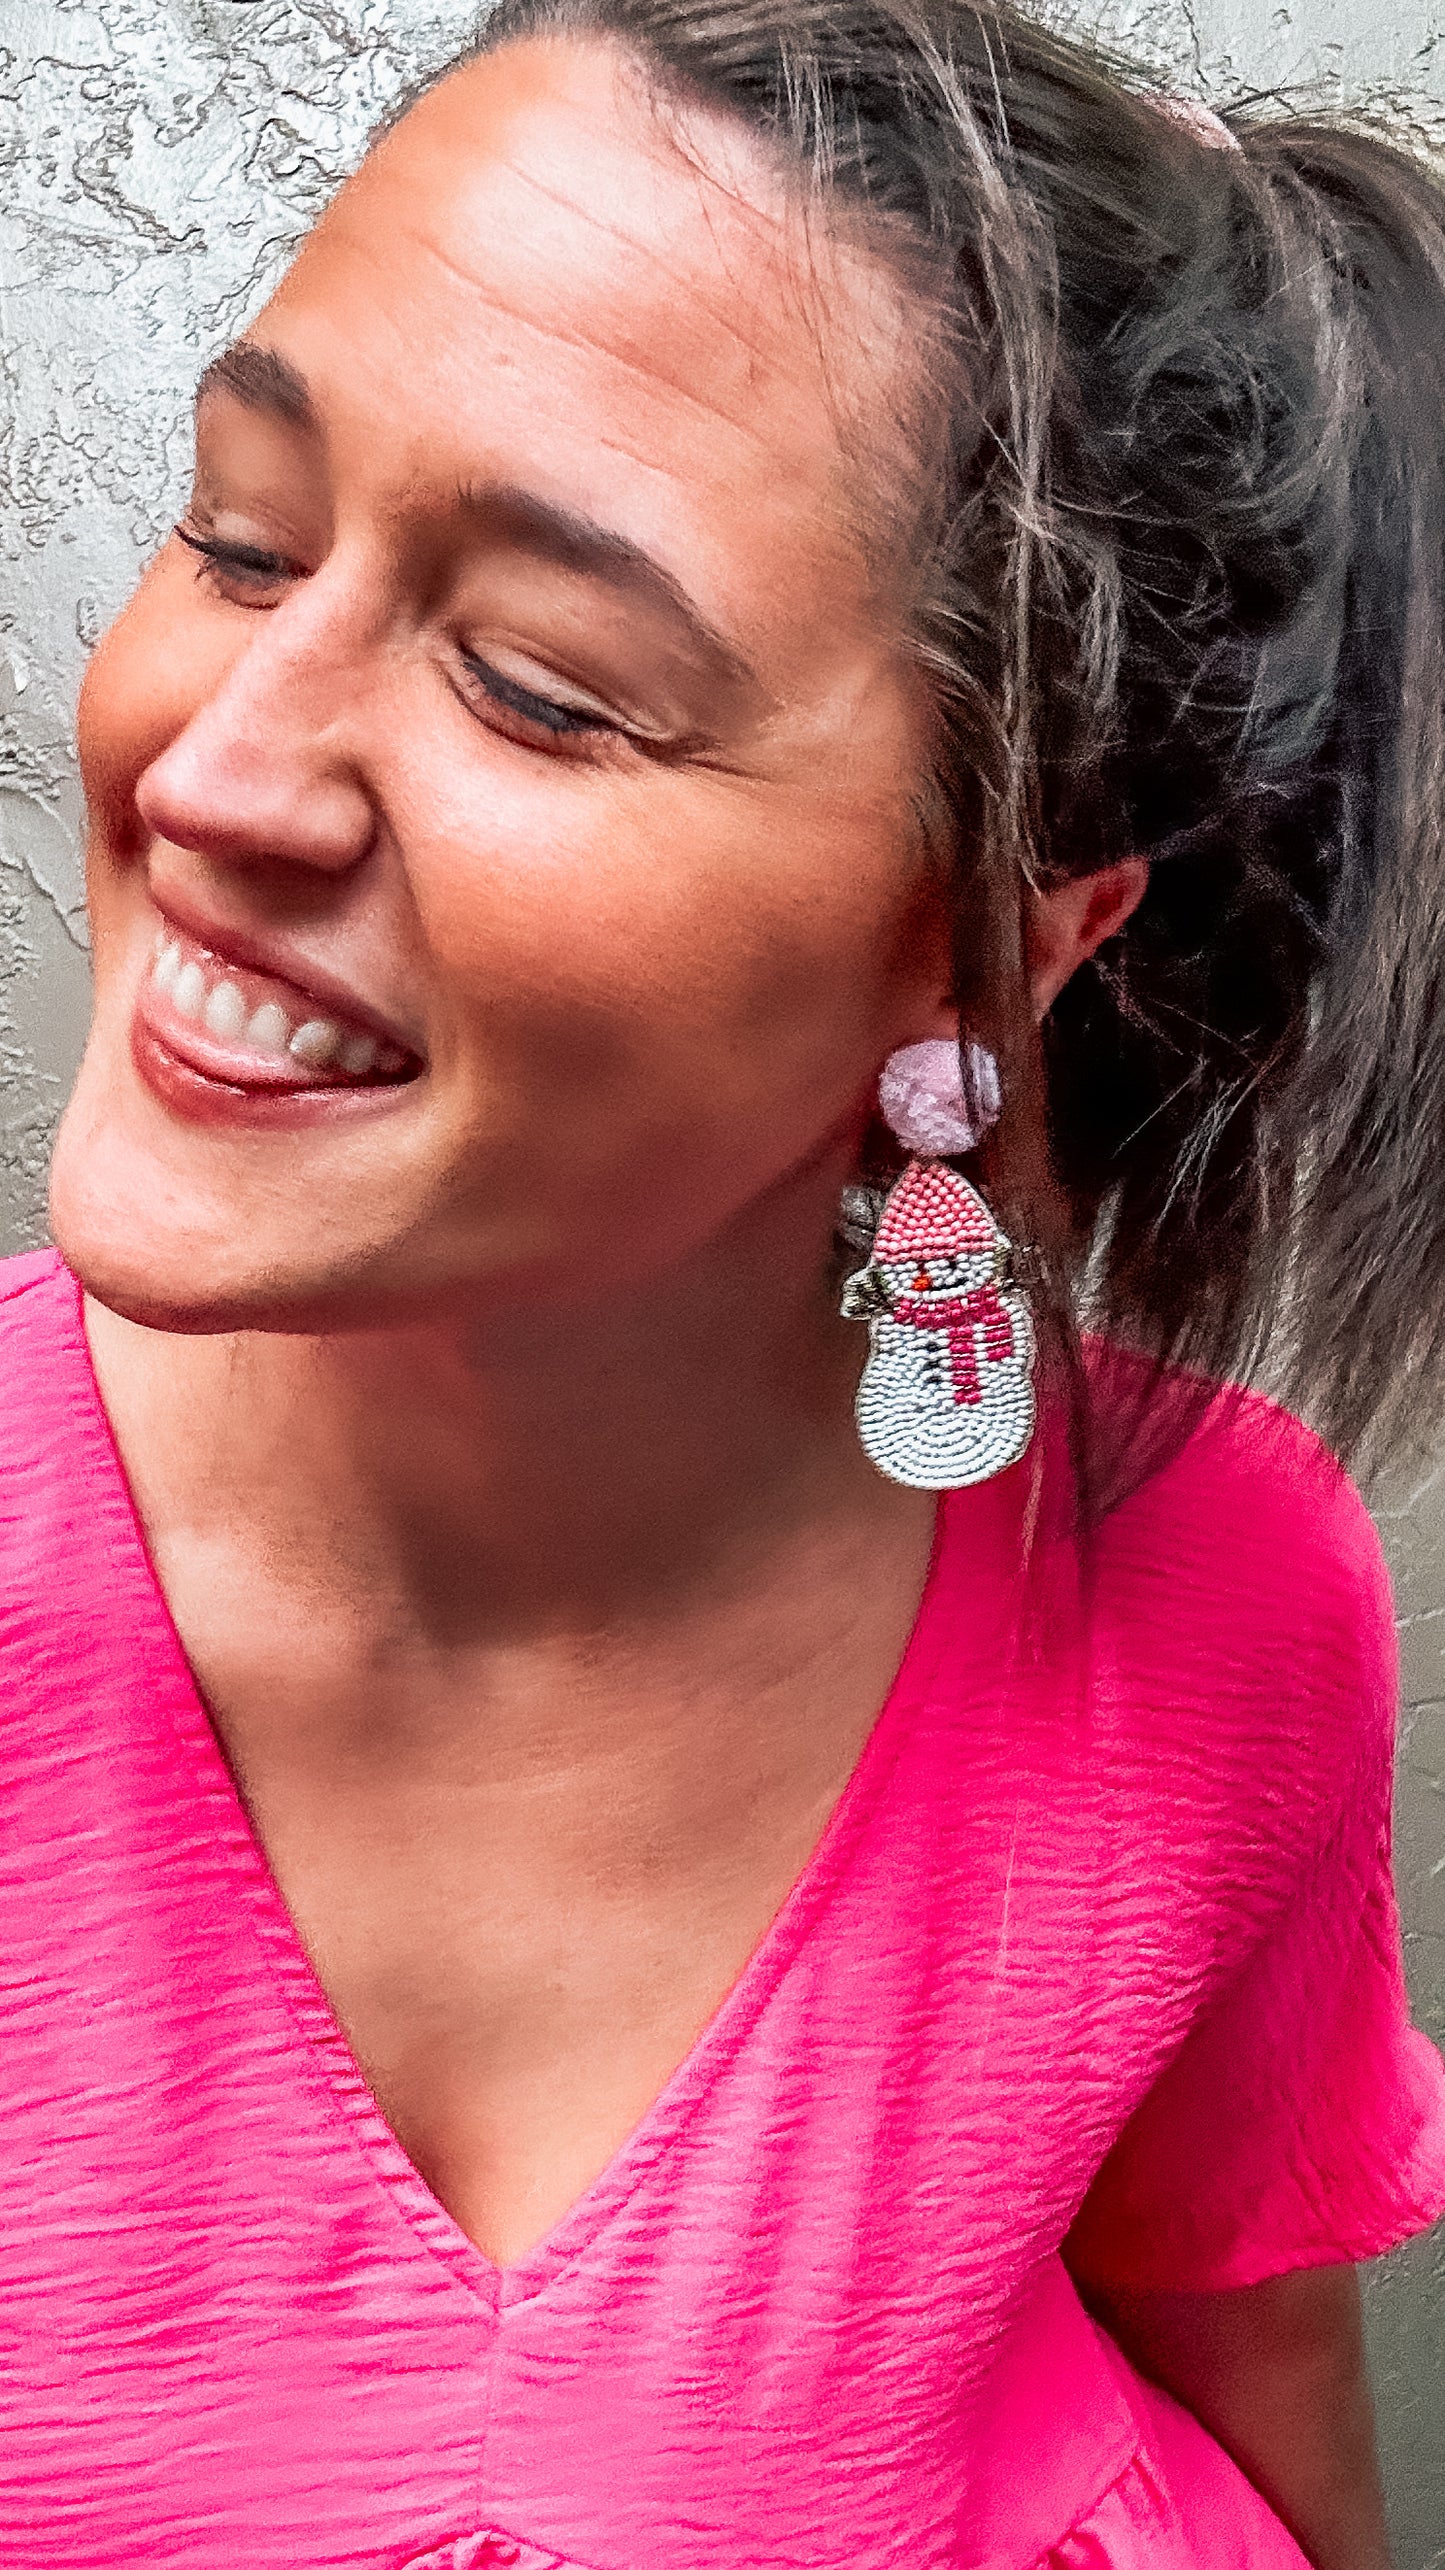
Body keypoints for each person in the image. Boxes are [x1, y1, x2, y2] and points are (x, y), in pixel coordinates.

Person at [3, 2, 1444, 2562]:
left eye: (543, 688)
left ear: (993, 942)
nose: (213, 767)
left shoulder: (1209, 1587)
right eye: (238, 534)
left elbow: (1260, 2387)